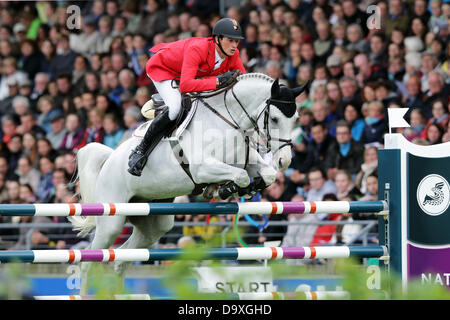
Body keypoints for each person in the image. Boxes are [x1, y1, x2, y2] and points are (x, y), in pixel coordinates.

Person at [127, 18, 246, 176]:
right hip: (164, 69)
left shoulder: (233, 54)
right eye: (230, 40)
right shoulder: (199, 49)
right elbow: (186, 85)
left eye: (236, 41)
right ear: (217, 39)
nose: (234, 46)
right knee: (175, 107)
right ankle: (140, 150)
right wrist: (217, 81)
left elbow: (244, 82)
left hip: (188, 74)